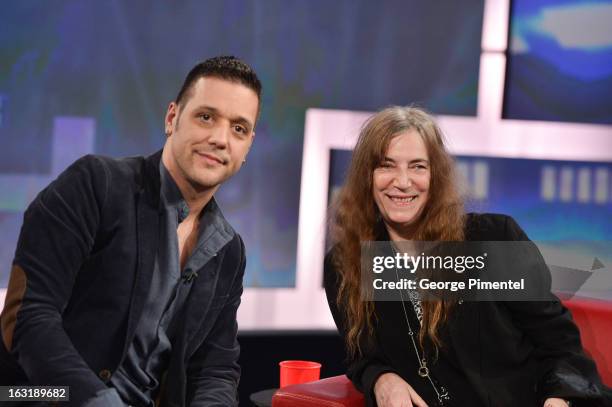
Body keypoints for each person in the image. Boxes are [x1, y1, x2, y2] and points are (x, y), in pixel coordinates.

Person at [0, 55, 261, 406]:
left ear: (247, 148)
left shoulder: (229, 250)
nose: (220, 138)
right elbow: (28, 316)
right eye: (205, 117)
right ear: (172, 118)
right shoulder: (96, 185)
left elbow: (214, 368)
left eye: (238, 128)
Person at [324, 106, 612, 407]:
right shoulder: (346, 266)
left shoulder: (493, 239)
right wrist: (381, 379)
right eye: (387, 165)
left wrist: (559, 399)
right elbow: (361, 356)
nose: (403, 181)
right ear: (366, 177)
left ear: (436, 177)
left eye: (418, 166)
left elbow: (559, 344)